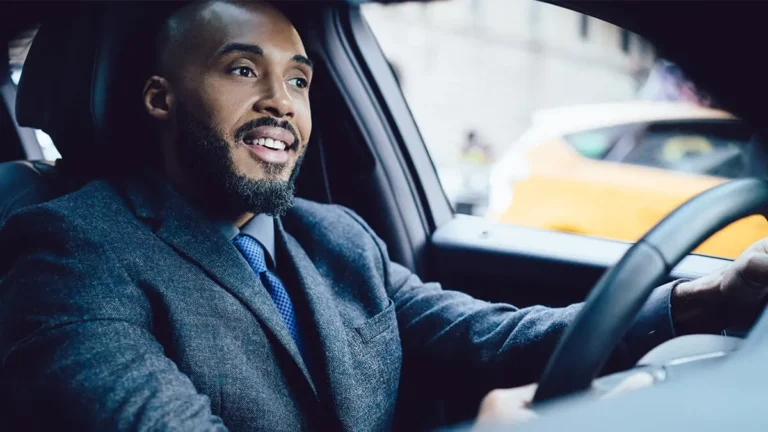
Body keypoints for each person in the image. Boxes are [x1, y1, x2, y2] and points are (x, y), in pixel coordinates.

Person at [0, 2, 766, 430]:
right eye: (242, 70)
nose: (281, 102)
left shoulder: (333, 235)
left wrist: (702, 304)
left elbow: (488, 336)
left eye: (299, 81)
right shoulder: (69, 252)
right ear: (160, 99)